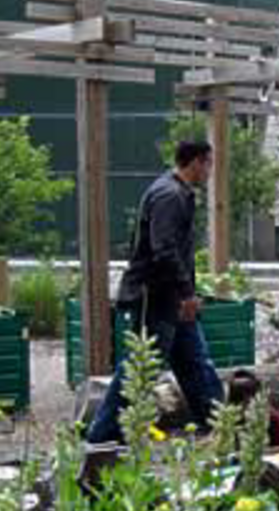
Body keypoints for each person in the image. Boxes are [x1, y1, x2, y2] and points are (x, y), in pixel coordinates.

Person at [86, 140, 224, 444]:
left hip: (174, 298)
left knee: (195, 362)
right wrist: (188, 293)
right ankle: (100, 438)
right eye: (209, 164)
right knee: (139, 368)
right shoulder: (169, 195)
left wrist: (188, 294)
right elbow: (164, 249)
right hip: (156, 297)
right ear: (197, 162)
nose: (211, 172)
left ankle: (220, 426)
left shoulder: (178, 193)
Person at [227, 369, 279, 448]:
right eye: (238, 400)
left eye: (249, 398)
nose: (245, 404)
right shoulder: (228, 420)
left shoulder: (273, 419)